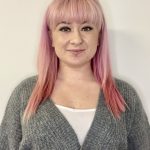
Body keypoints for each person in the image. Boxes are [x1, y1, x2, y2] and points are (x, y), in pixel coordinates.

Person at [0, 0, 150, 149]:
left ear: (99, 36)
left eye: (86, 28)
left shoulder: (124, 96)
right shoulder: (25, 94)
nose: (77, 39)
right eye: (65, 29)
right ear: (51, 37)